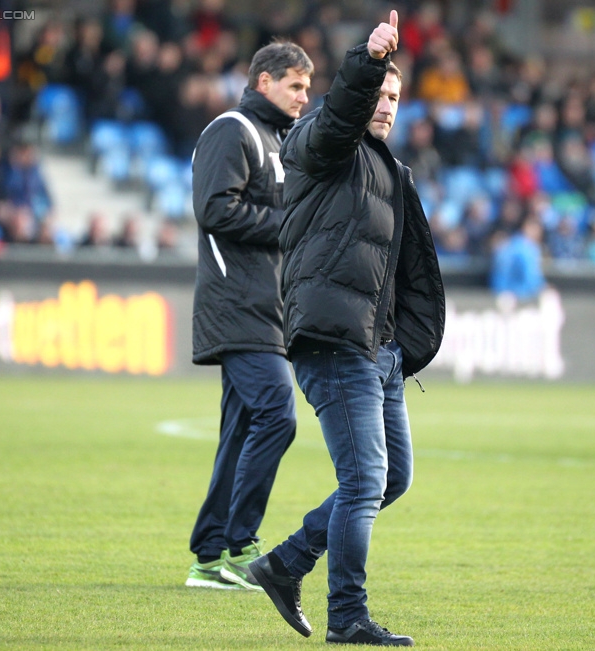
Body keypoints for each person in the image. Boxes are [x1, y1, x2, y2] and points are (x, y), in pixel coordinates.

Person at [248, 12, 445, 646]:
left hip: (376, 349)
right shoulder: (318, 142)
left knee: (391, 479)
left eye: (394, 97)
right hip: (334, 342)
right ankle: (347, 617)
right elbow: (339, 115)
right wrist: (367, 59)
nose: (386, 106)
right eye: (378, 94)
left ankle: (285, 564)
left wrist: (399, 343)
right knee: (363, 481)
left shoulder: (386, 169)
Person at [186, 41, 313, 591]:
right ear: (264, 81)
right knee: (277, 415)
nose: (304, 97)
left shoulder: (279, 142)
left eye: (307, 87)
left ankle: (209, 558)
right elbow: (215, 209)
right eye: (295, 86)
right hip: (236, 305)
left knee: (240, 432)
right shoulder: (231, 130)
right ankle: (241, 546)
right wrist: (289, 224)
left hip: (266, 308)